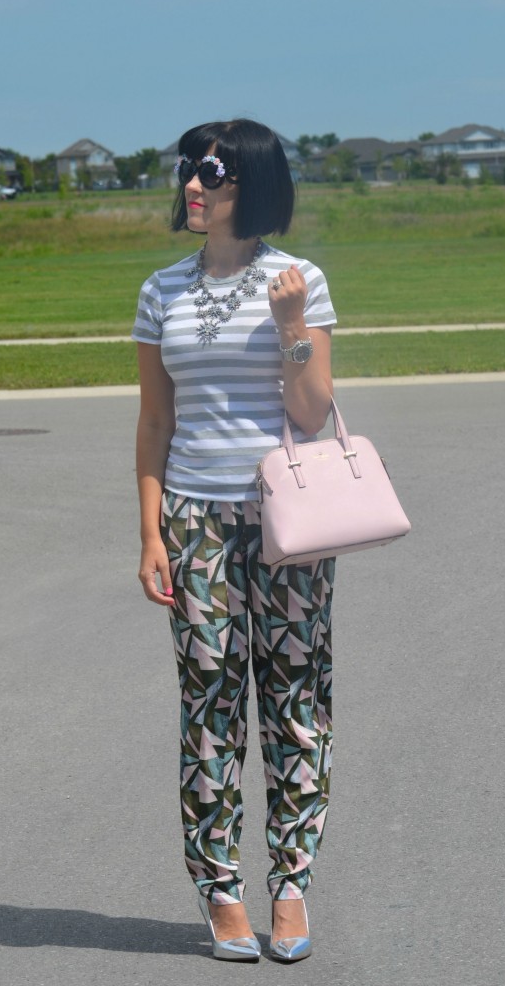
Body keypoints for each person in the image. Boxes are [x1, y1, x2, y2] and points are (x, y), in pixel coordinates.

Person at [132, 118, 337, 963]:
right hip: (193, 520)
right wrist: (149, 530)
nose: (192, 186)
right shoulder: (160, 291)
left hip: (288, 516)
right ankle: (220, 888)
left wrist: (291, 324)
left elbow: (312, 411)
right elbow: (154, 418)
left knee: (294, 704)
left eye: (210, 174)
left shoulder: (300, 281)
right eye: (188, 171)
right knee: (211, 707)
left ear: (248, 186)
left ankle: (289, 886)